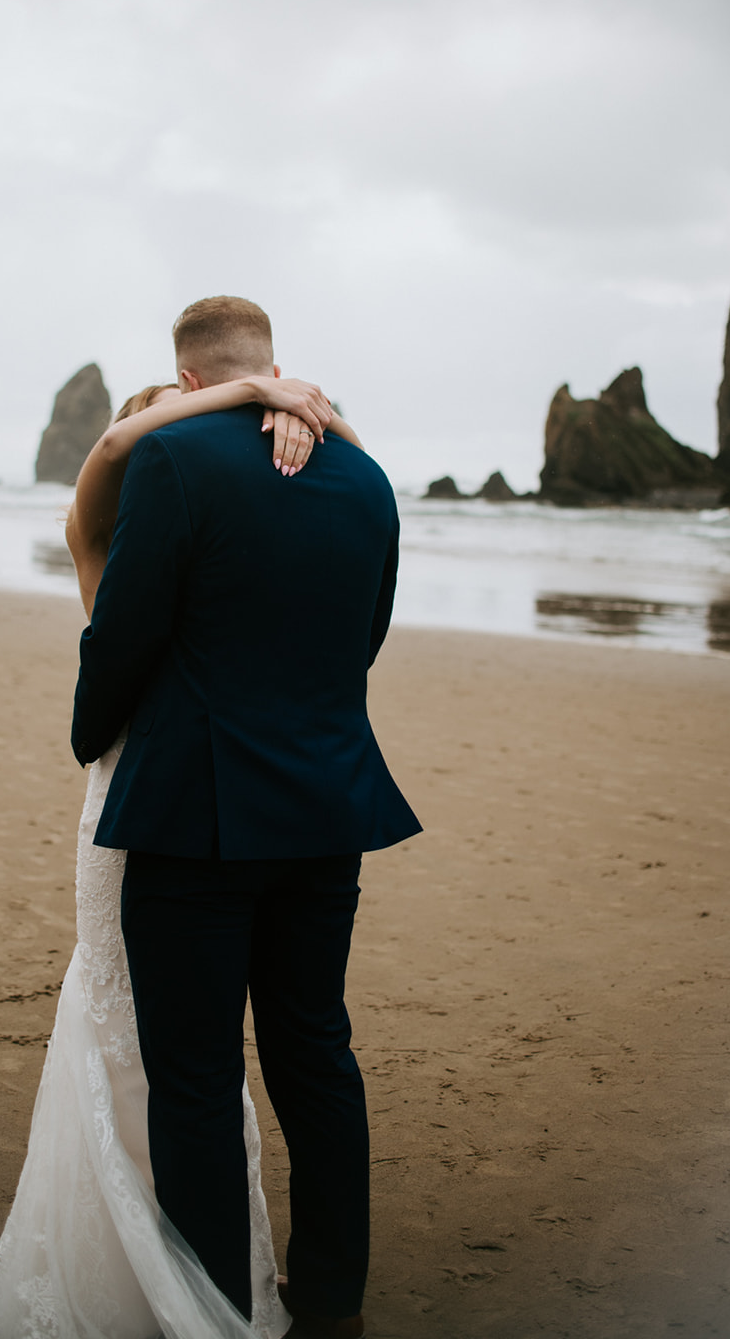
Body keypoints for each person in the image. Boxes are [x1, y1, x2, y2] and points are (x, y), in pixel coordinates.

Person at [0, 363, 348, 1339]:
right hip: (133, 799)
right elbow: (104, 460)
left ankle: (190, 1267)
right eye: (155, 441)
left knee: (179, 1048)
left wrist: (285, 412)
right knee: (136, 1027)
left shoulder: (204, 531)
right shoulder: (104, 531)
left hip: (196, 804)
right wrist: (242, 392)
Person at [72, 296, 422, 1339]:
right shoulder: (365, 479)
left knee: (192, 1075)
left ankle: (216, 1311)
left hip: (197, 818)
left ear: (189, 379)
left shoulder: (173, 465)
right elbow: (361, 637)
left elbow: (124, 632)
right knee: (316, 1052)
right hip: (326, 808)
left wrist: (92, 733)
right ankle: (329, 1306)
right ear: (275, 367)